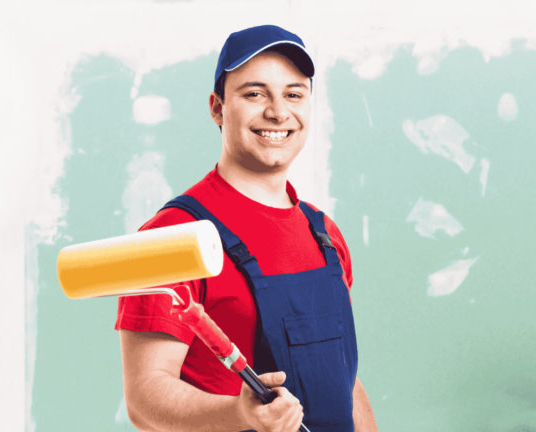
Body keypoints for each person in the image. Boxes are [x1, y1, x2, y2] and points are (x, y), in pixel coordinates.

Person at [115, 25, 378, 432]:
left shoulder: (325, 234)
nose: (277, 111)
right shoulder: (171, 237)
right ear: (217, 108)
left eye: (293, 94)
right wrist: (238, 414)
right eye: (255, 94)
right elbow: (146, 397)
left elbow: (343, 378)